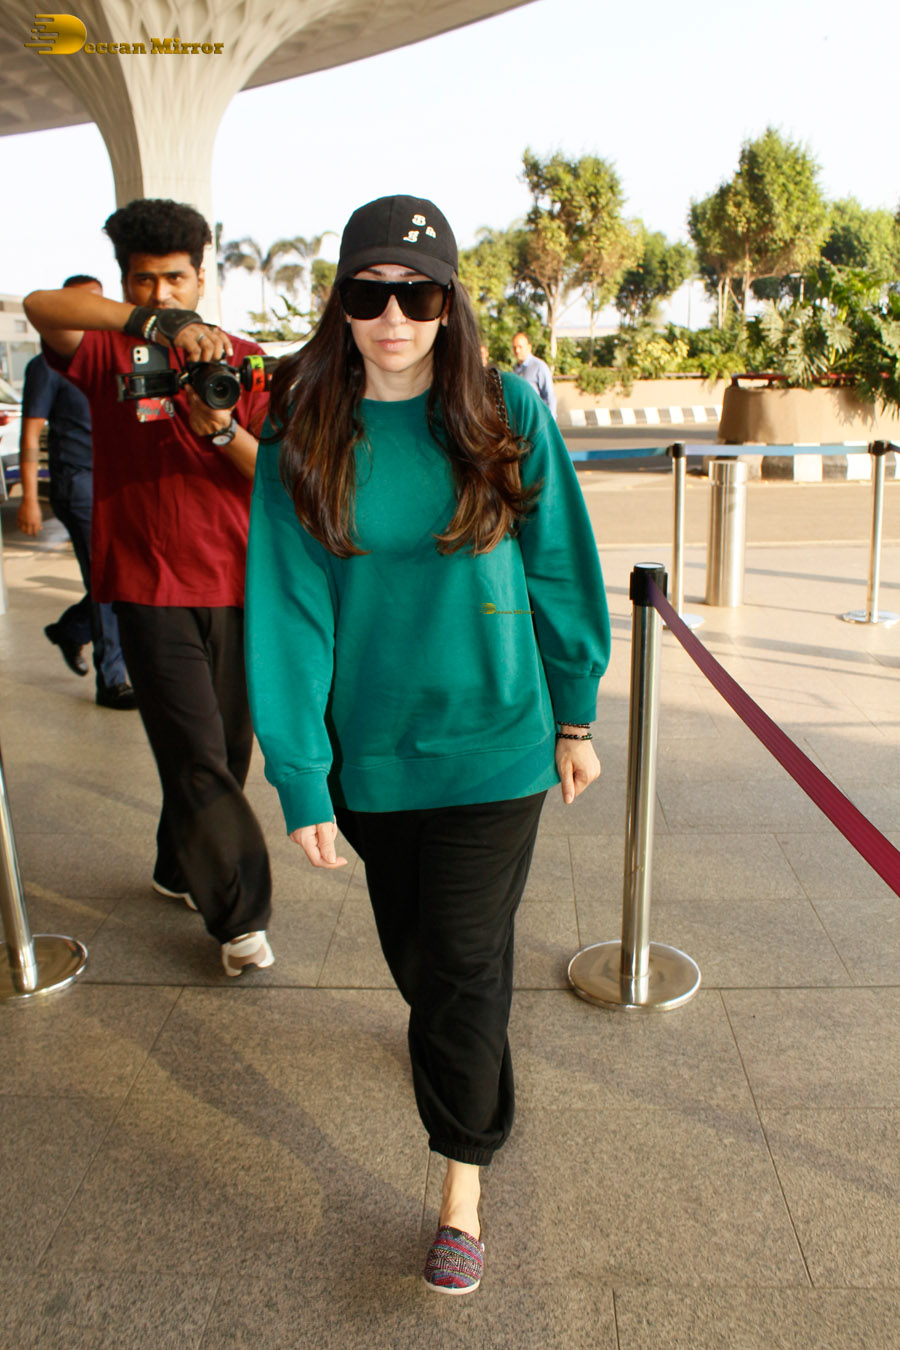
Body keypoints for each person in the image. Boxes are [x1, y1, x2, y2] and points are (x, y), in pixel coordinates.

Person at [244, 194, 610, 1292]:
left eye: (418, 293)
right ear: (342, 305)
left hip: (498, 741)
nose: (394, 316)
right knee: (429, 964)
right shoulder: (303, 431)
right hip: (373, 750)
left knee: (457, 961)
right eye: (371, 294)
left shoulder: (504, 412)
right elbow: (289, 611)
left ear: (450, 304)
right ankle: (471, 1059)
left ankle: (462, 1187)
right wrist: (302, 774)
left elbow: (559, 562)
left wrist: (576, 709)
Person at [24, 198, 274, 977]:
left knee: (226, 752)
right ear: (126, 284)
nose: (162, 292)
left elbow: (276, 476)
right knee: (196, 752)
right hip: (146, 584)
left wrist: (221, 430)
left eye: (175, 280)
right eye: (144, 281)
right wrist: (149, 325)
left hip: (237, 585)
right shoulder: (106, 350)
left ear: (202, 276)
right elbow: (41, 306)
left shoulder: (245, 360)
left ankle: (176, 864)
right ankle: (240, 920)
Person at [18, 275, 135, 710]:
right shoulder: (46, 366)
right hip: (78, 482)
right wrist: (30, 498)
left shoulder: (109, 360)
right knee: (106, 579)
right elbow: (31, 434)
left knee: (120, 575)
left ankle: (72, 629)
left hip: (111, 481)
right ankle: (112, 680)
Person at [511, 331, 557, 416]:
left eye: (520, 347)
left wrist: (550, 421)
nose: (517, 350)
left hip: (537, 418)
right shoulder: (515, 370)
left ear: (529, 347)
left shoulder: (539, 366)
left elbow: (549, 397)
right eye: (514, 347)